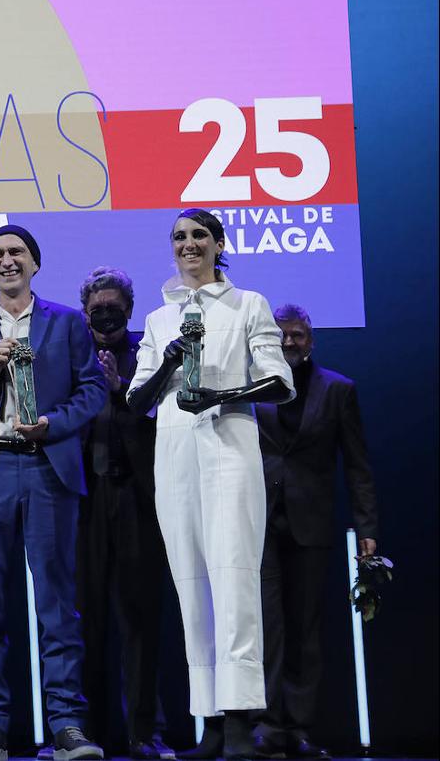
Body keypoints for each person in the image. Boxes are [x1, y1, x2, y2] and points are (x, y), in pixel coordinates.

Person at [126, 209, 294, 761]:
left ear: (219, 244)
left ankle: (245, 721)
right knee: (191, 585)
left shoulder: (249, 305)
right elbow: (135, 400)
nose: (188, 244)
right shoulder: (157, 319)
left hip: (230, 450)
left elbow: (278, 381)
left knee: (235, 578)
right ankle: (213, 724)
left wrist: (222, 396)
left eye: (199, 235)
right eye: (179, 236)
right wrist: (169, 360)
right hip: (174, 454)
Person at [0, 224, 106, 761]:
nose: (8, 261)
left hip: (47, 469)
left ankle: (67, 724)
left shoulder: (68, 323)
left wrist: (53, 424)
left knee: (57, 603)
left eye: (17, 253)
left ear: (35, 263)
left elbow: (94, 389)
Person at [253, 304, 379, 759]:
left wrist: (367, 528)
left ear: (311, 340)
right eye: (282, 335)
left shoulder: (339, 389)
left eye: (298, 335)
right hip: (258, 521)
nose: (290, 342)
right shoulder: (253, 386)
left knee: (306, 627)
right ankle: (267, 724)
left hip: (312, 522)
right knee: (267, 627)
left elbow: (359, 464)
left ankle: (300, 727)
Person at [75, 268, 173, 760]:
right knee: (85, 622)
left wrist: (121, 389)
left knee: (139, 618)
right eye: (97, 308)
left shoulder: (151, 354)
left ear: (128, 311)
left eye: (114, 307)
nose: (106, 314)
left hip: (138, 498)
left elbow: (160, 421)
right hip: (83, 500)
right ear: (86, 312)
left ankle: (143, 732)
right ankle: (88, 732)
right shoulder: (71, 357)